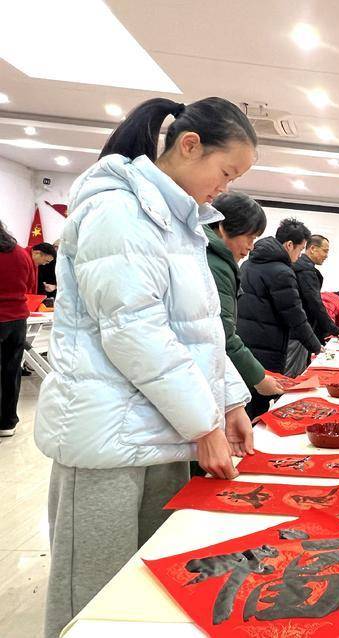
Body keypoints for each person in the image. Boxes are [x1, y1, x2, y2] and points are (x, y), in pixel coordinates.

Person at [34, 97, 258, 638]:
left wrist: (229, 401)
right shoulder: (118, 210)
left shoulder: (180, 221)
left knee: (149, 588)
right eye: (226, 172)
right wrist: (204, 425)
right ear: (190, 146)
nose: (224, 189)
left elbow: (197, 328)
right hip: (107, 436)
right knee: (93, 595)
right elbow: (137, 333)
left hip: (163, 426)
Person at [238, 218, 323, 419]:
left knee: (244, 403)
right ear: (289, 245)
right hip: (266, 347)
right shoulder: (282, 272)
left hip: (244, 345)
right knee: (259, 405)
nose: (299, 256)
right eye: (300, 249)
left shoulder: (248, 264)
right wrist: (317, 347)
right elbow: (295, 315)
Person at [205, 191, 283, 404]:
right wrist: (258, 379)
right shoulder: (216, 265)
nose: (251, 246)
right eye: (249, 237)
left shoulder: (215, 258)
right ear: (223, 228)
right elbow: (223, 334)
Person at [286, 234, 339, 376]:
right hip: (299, 332)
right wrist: (334, 330)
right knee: (292, 375)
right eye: (325, 251)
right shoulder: (305, 271)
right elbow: (315, 304)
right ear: (312, 249)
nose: (326, 255)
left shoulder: (300, 268)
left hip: (294, 330)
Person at [0, 222, 35, 437]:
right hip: (18, 319)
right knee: (12, 371)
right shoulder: (21, 253)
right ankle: (7, 422)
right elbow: (30, 284)